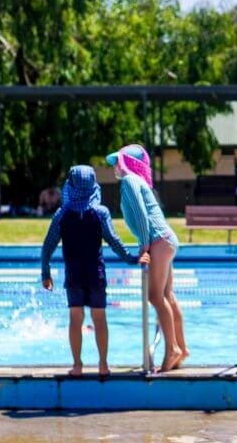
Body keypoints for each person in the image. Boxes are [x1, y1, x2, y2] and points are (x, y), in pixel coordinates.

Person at [40, 165, 144, 377]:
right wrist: (132, 259)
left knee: (75, 319)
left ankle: (77, 365)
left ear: (70, 185)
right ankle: (103, 365)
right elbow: (115, 242)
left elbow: (47, 246)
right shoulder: (100, 212)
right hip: (96, 275)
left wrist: (46, 273)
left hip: (73, 276)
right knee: (99, 319)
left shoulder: (62, 215)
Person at [106, 144, 188, 373]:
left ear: (128, 163)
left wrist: (143, 246)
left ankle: (172, 349)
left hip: (157, 240)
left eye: (118, 161)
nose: (114, 167)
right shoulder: (138, 182)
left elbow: (142, 215)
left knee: (154, 296)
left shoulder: (129, 181)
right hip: (166, 239)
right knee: (167, 295)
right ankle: (182, 347)